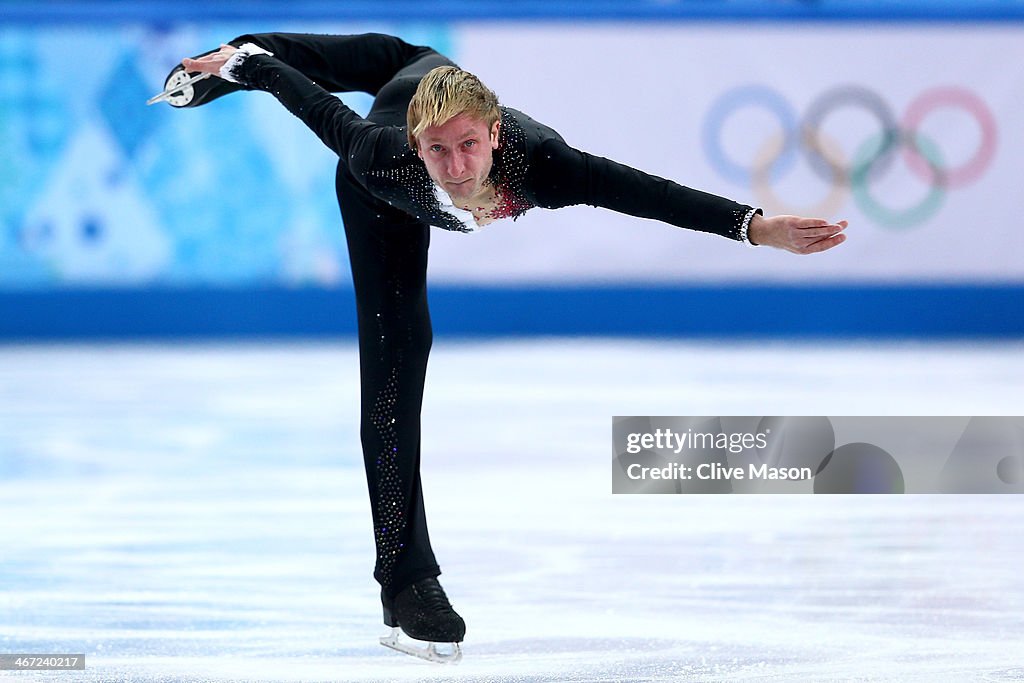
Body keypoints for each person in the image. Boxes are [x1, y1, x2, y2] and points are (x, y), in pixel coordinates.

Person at [161, 31, 847, 662]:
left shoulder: (541, 163)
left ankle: (239, 58)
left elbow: (642, 190)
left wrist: (754, 226)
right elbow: (312, 103)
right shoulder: (383, 158)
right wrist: (254, 69)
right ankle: (406, 581)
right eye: (437, 150)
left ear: (494, 134)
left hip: (413, 63)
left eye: (468, 146)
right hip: (385, 184)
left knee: (344, 60)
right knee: (397, 366)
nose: (456, 167)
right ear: (415, 142)